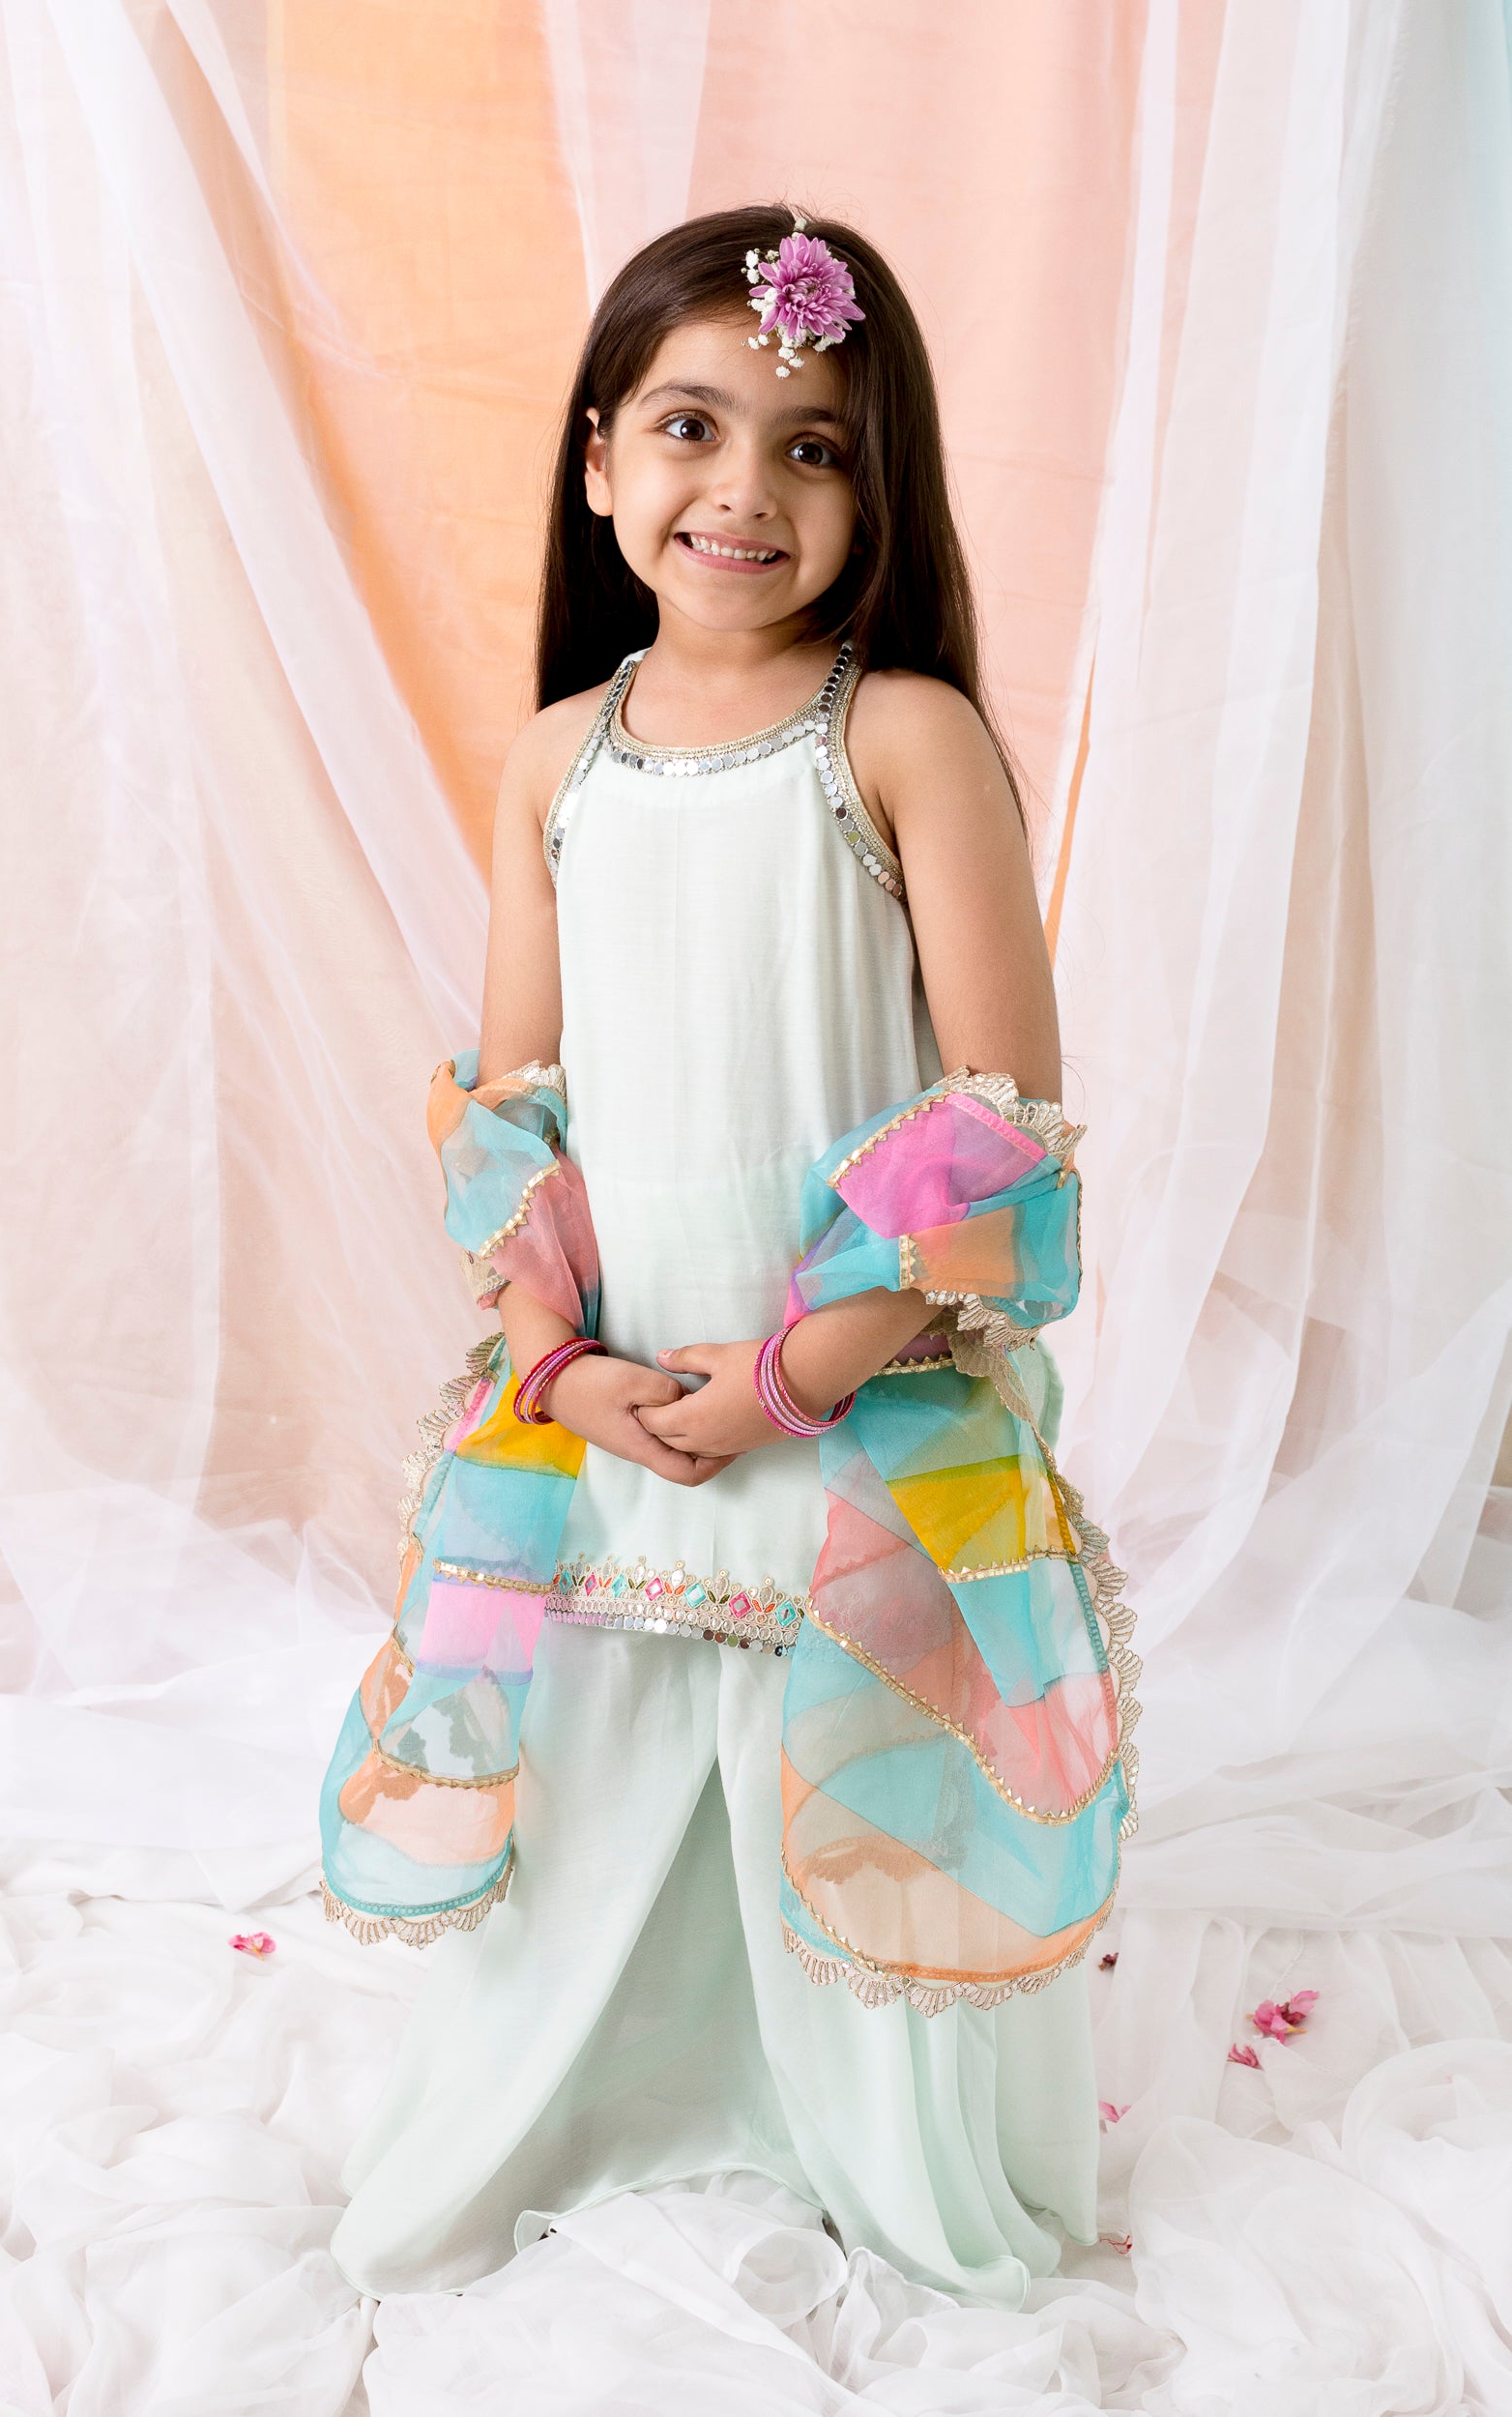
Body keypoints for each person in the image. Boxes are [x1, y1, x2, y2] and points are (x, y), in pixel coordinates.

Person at [319, 206, 1137, 2303]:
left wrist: (801, 1370)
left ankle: (862, 2141)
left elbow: (998, 1116)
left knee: (832, 1790)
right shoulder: (555, 761)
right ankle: (601, 2098)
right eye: (691, 427)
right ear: (600, 459)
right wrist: (558, 1359)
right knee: (598, 1784)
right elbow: (513, 1110)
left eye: (813, 445)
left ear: (878, 491)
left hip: (844, 1395)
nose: (744, 488)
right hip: (612, 1403)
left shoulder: (903, 738)